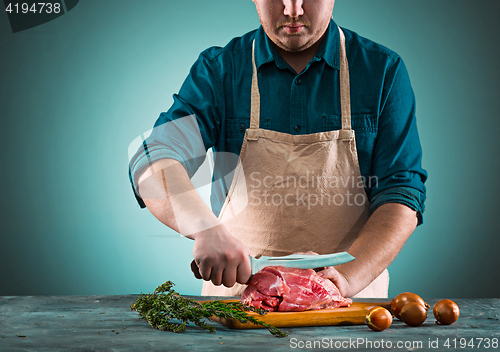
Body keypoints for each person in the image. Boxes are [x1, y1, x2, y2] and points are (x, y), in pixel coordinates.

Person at [128, 0, 427, 298]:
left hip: (350, 304)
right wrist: (205, 228)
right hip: (237, 306)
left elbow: (401, 193)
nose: (293, 9)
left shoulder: (383, 72)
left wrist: (344, 281)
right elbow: (155, 156)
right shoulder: (221, 71)